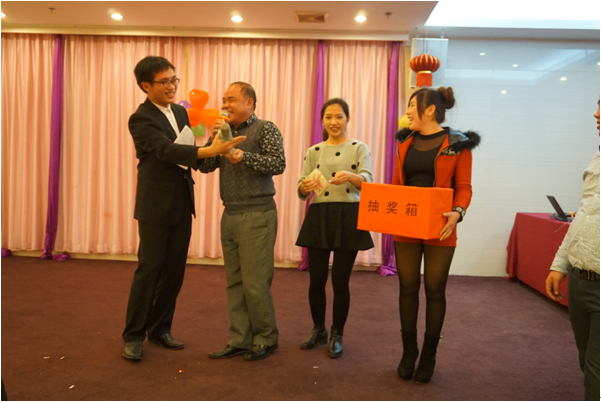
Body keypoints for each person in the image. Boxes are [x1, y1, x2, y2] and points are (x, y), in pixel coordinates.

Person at [123, 56, 245, 360]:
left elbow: (191, 154)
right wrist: (210, 149)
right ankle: (133, 335)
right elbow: (168, 151)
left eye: (174, 80)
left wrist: (216, 143)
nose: (171, 86)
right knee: (150, 270)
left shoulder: (179, 112)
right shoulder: (140, 119)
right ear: (145, 85)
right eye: (164, 82)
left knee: (175, 271)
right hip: (154, 206)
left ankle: (160, 329)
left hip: (181, 202)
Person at [392, 87, 480, 383]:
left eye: (412, 105)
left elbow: (464, 187)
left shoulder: (457, 143)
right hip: (406, 222)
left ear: (429, 109)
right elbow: (396, 184)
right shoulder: (404, 142)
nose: (407, 111)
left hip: (440, 224)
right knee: (406, 286)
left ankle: (428, 355)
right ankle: (408, 352)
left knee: (434, 288)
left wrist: (458, 212)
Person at [199, 82, 285, 361]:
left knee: (255, 282)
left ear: (249, 103)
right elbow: (204, 166)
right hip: (230, 214)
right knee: (234, 282)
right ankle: (240, 338)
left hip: (258, 213)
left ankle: (266, 337)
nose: (225, 105)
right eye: (223, 100)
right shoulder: (224, 132)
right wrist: (213, 142)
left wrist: (243, 156)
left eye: (231, 100)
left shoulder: (265, 128)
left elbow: (278, 163)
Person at [295, 98, 374, 358]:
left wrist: (351, 176)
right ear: (322, 121)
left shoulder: (359, 148)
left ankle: (337, 333)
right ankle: (318, 329)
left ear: (348, 119)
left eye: (339, 116)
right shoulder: (314, 150)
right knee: (316, 280)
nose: (334, 122)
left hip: (348, 215)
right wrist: (304, 187)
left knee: (340, 281)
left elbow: (369, 180)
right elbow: (302, 185)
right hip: (320, 215)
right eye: (328, 117)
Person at [545, 99, 599, 401]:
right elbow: (584, 215)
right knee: (587, 363)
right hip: (580, 280)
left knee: (597, 373)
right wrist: (560, 264)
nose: (596, 113)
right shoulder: (597, 157)